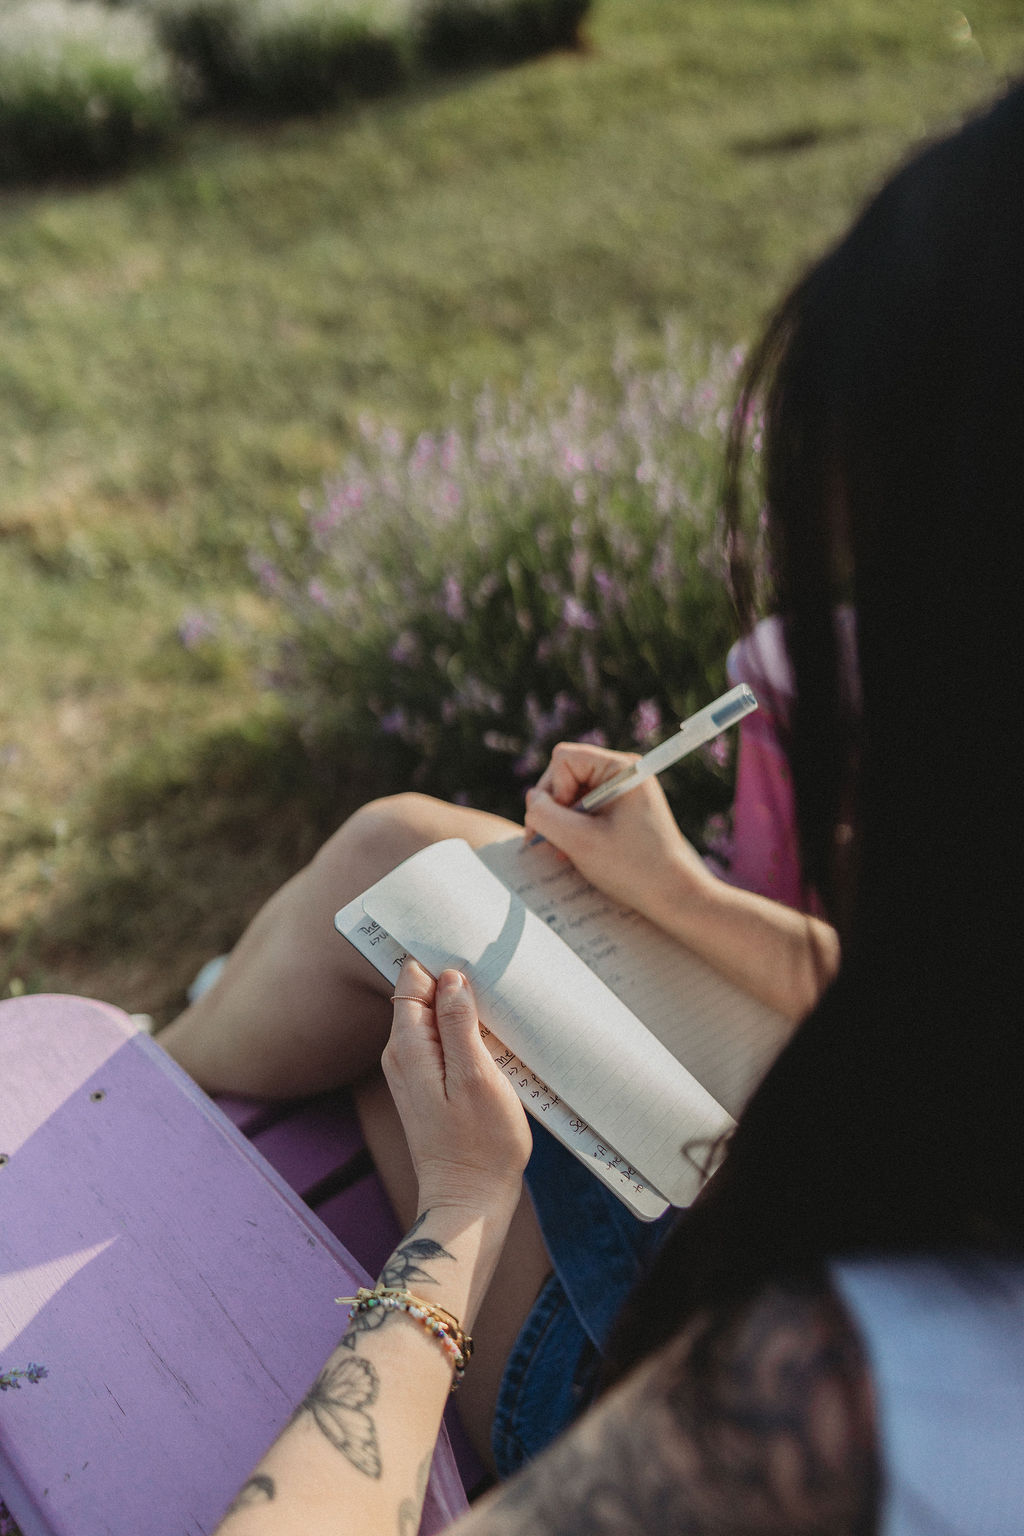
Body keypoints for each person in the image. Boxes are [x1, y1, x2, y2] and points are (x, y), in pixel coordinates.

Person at [208, 75, 1024, 1534]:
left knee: (396, 996)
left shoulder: (819, 1420)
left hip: (649, 1336)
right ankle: (143, 1083)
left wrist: (458, 1223)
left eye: (882, 612)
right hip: (765, 1200)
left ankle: (122, 1109)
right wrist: (683, 896)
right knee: (412, 861)